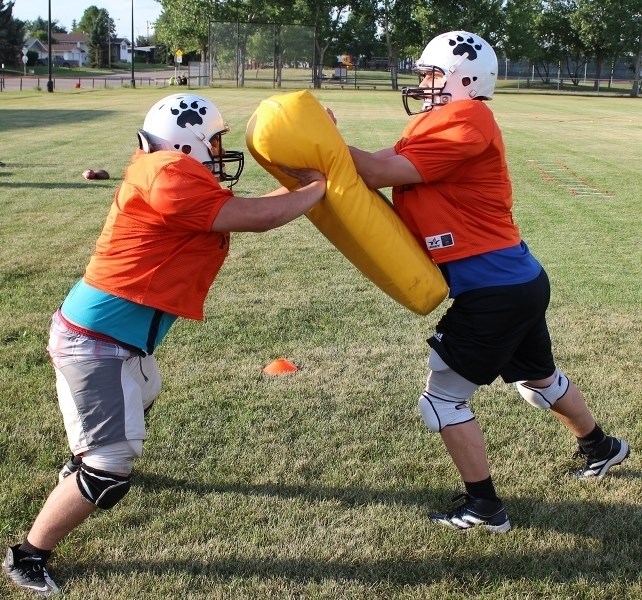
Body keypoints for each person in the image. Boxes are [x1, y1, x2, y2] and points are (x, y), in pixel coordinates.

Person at [3, 92, 326, 596]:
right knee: (110, 470)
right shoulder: (169, 175)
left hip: (117, 339)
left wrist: (302, 184)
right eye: (215, 141)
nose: (219, 152)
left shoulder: (165, 169)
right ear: (191, 140)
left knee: (144, 393)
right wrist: (319, 188)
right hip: (96, 342)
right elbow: (258, 217)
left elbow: (242, 209)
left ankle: (82, 459)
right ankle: (27, 555)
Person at [347, 31, 630, 533]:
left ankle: (484, 508)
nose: (425, 84)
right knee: (537, 382)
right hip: (514, 281)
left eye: (433, 74)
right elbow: (380, 160)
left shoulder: (468, 117)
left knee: (442, 401)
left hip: (494, 291)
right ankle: (602, 448)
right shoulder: (445, 120)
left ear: (464, 78)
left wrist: (324, 147)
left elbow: (375, 171)